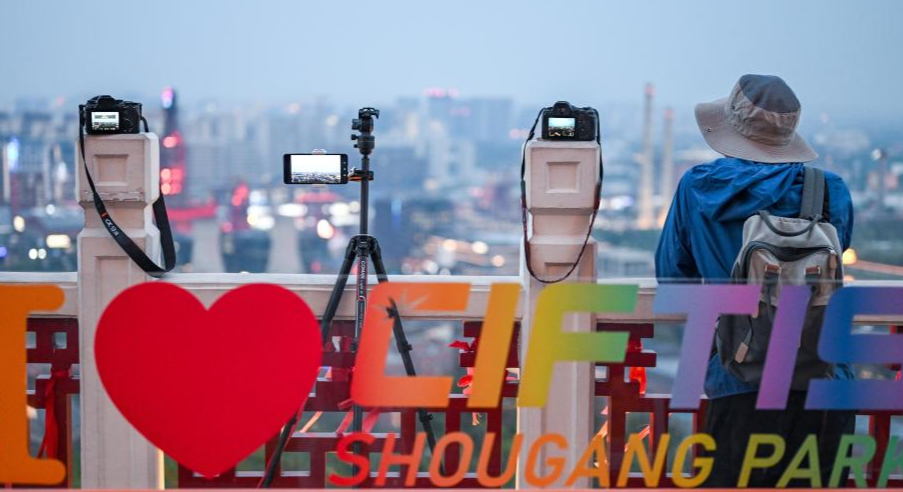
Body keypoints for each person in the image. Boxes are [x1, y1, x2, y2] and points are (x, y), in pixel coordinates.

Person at [655, 74, 856, 487]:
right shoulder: (830, 190)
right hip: (824, 381)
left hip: (740, 376)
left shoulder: (699, 188)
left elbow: (672, 277)